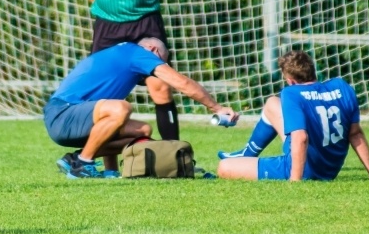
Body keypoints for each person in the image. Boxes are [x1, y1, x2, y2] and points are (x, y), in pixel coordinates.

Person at [73, 0, 178, 174]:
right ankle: (108, 168)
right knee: (107, 97)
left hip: (146, 22)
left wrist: (136, 7)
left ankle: (175, 158)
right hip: (108, 27)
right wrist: (111, 8)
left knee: (161, 86)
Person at [44, 38, 238, 179]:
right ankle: (83, 164)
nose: (160, 66)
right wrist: (216, 107)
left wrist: (111, 172)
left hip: (70, 118)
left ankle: (78, 159)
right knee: (122, 108)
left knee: (142, 130)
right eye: (162, 60)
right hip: (62, 114)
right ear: (152, 50)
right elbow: (181, 82)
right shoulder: (137, 53)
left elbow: (107, 126)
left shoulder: (121, 58)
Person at [217, 51, 369, 182]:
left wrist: (295, 180)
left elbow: (301, 138)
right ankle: (247, 153)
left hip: (303, 168)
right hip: (330, 168)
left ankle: (248, 158)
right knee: (272, 103)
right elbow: (356, 134)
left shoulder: (291, 93)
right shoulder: (342, 86)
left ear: (290, 80)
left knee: (224, 167)